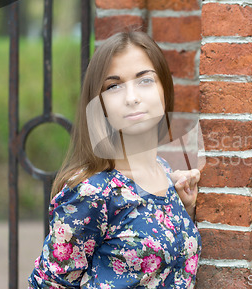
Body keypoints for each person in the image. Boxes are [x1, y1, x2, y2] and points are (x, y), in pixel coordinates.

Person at [28, 31, 202, 288]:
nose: (132, 97)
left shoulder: (164, 172)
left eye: (144, 81)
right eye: (114, 86)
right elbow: (47, 284)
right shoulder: (92, 191)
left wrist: (184, 208)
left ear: (164, 87)